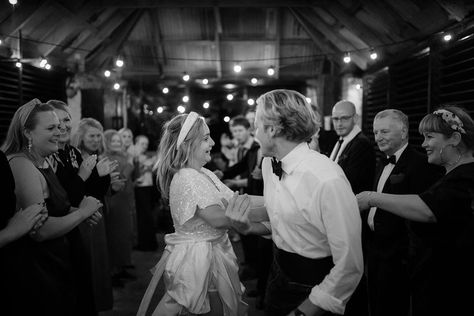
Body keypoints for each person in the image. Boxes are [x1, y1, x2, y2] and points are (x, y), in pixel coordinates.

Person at [226, 90, 364, 316]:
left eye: (256, 124)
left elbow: (350, 265)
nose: (254, 132)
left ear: (272, 129)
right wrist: (247, 228)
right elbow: (280, 219)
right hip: (278, 273)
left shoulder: (327, 179)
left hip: (316, 286)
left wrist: (305, 311)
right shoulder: (270, 164)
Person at [356, 106, 474, 316]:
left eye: (429, 137)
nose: (424, 144)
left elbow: (428, 209)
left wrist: (372, 198)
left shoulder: (465, 177)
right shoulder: (452, 174)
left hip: (448, 280)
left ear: (455, 139)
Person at [137, 112, 250, 316]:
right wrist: (271, 215)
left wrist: (274, 204)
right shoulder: (188, 177)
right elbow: (216, 218)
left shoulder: (203, 172)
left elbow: (235, 200)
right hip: (199, 258)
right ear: (187, 144)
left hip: (213, 250)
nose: (213, 142)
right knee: (205, 308)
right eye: (206, 139)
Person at [0, 99, 102, 315]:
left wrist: (78, 213)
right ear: (28, 133)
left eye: (60, 126)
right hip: (37, 268)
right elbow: (41, 230)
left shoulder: (43, 160)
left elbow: (56, 208)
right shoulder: (20, 164)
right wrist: (82, 212)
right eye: (51, 128)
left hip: (56, 260)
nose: (60, 131)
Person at [364, 109, 442, 316]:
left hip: (400, 257)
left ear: (404, 132)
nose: (378, 137)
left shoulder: (421, 164)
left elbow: (424, 212)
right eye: (376, 132)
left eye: (385, 132)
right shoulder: (382, 161)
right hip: (375, 249)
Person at [71, 117, 116, 312]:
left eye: (99, 135)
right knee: (90, 261)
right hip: (83, 215)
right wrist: (102, 176)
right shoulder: (76, 157)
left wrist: (107, 179)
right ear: (81, 137)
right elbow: (81, 191)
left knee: (98, 261)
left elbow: (97, 189)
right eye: (92, 135)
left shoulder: (96, 156)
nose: (96, 139)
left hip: (96, 211)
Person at [103, 129, 135, 285]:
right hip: (114, 199)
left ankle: (121, 267)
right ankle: (113, 271)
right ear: (107, 142)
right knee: (115, 235)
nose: (116, 143)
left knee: (125, 234)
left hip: (125, 198)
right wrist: (129, 166)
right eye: (113, 141)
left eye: (118, 141)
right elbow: (119, 179)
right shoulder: (105, 158)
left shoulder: (123, 156)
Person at [0, 150, 44, 248]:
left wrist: (29, 216)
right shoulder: (19, 163)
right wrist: (10, 232)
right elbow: (42, 233)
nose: (59, 133)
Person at [330, 100, 375, 194]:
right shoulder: (341, 140)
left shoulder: (361, 144)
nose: (339, 124)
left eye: (344, 118)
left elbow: (349, 183)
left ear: (355, 118)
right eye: (335, 119)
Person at [133, 134, 159, 251]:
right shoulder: (134, 157)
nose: (144, 146)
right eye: (142, 144)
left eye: (146, 144)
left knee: (147, 216)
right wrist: (146, 168)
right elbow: (135, 176)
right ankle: (145, 244)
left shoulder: (144, 157)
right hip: (140, 188)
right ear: (136, 143)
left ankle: (150, 243)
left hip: (148, 188)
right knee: (144, 217)